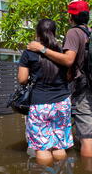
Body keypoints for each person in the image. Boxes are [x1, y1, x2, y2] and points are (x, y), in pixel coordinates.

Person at [27, 0, 92, 157]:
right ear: (87, 16)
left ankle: (88, 168)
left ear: (71, 17)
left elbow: (68, 60)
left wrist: (42, 49)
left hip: (87, 91)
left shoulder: (74, 32)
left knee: (87, 138)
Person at [18, 19, 73, 165]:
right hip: (62, 103)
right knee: (59, 146)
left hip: (40, 104)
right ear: (54, 32)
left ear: (37, 33)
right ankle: (62, 169)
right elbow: (69, 76)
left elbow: (22, 79)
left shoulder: (29, 53)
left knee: (42, 147)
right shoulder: (62, 52)